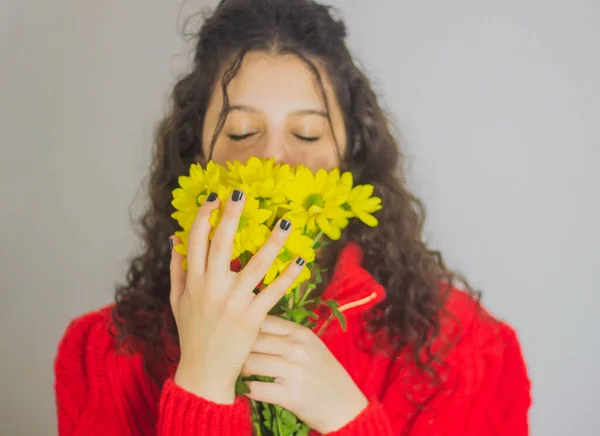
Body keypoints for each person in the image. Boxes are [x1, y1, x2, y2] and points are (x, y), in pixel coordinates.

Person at [53, 0, 531, 435]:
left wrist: (349, 418)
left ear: (351, 154)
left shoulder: (468, 351)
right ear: (196, 153)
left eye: (306, 134)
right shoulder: (100, 355)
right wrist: (202, 383)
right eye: (240, 133)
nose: (276, 162)